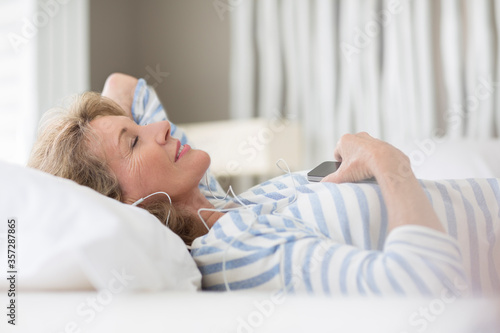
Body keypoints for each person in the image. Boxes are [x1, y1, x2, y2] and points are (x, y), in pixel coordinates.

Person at [28, 73, 499, 297]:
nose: (161, 129)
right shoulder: (233, 250)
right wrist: (390, 164)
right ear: (128, 203)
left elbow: (125, 86)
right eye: (135, 141)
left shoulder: (214, 203)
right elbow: (422, 289)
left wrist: (100, 134)